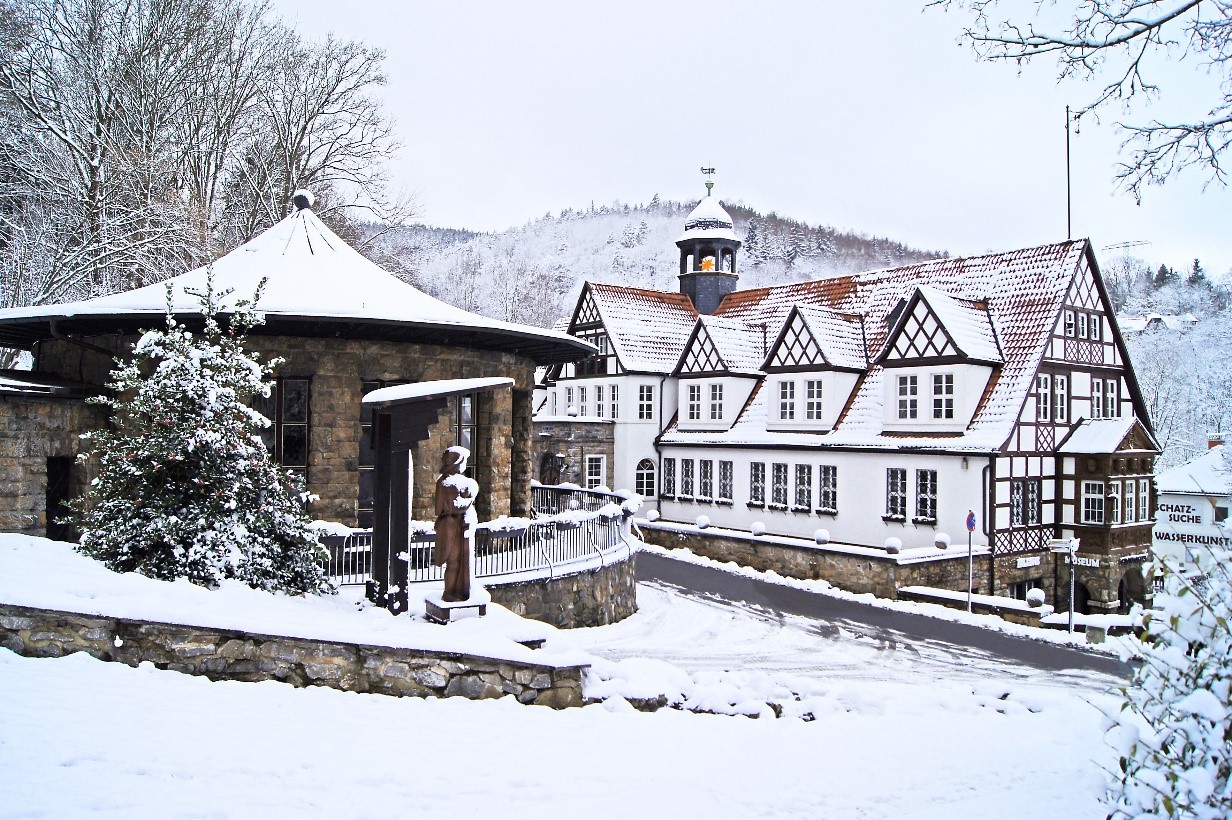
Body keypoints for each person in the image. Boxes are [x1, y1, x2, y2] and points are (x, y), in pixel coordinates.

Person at [433, 446, 478, 602]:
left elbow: (438, 508)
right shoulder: (450, 484)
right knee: (453, 562)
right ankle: (450, 592)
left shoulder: (442, 481)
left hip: (448, 525)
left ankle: (453, 591)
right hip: (452, 526)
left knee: (454, 562)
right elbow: (455, 506)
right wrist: (470, 500)